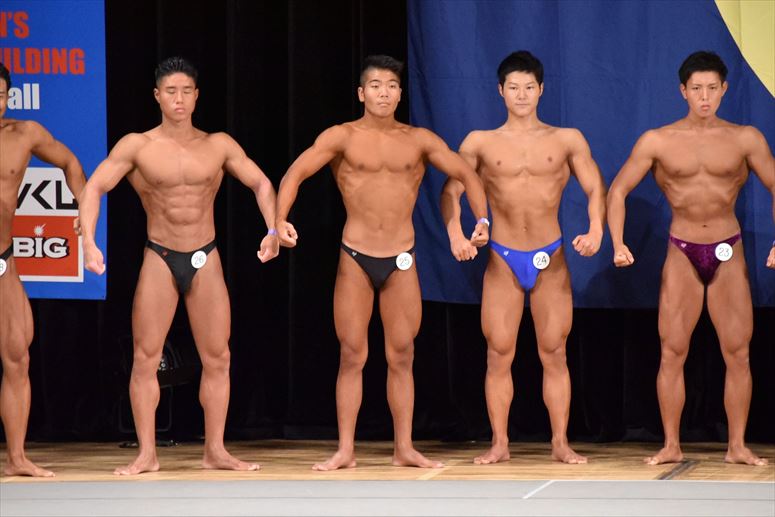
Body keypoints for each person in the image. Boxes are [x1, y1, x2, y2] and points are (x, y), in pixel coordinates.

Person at [275, 55, 489, 471]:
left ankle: (404, 447)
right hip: (355, 255)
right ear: (361, 93)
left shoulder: (419, 140)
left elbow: (467, 174)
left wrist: (480, 221)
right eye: (375, 85)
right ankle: (345, 449)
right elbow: (295, 174)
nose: (384, 93)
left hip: (401, 256)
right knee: (352, 354)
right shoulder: (341, 137)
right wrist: (279, 221)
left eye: (391, 85)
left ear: (400, 93)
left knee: (402, 355)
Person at [78, 57, 279, 475]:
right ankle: (147, 454)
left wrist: (273, 228)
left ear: (197, 95)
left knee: (218, 357)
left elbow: (261, 182)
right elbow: (94, 186)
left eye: (187, 91)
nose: (179, 99)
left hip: (205, 255)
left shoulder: (218, 144)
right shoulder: (137, 145)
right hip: (160, 255)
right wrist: (89, 242)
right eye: (171, 91)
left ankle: (215, 450)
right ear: (157, 96)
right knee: (146, 357)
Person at [608, 51, 774, 466]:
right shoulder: (658, 141)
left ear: (724, 89)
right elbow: (617, 191)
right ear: (683, 90)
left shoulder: (745, 138)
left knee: (738, 352)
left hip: (727, 248)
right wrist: (617, 242)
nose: (704, 97)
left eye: (712, 88)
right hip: (682, 250)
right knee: (672, 350)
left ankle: (736, 446)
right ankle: (671, 444)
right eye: (697, 88)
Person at [441, 51, 606, 464]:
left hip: (551, 256)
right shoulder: (480, 142)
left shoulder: (567, 139)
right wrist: (457, 233)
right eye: (513, 87)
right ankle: (499, 443)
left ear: (541, 90)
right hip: (502, 257)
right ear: (500, 90)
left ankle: (560, 442)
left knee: (555, 352)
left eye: (529, 87)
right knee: (499, 353)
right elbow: (451, 190)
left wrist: (597, 229)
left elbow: (594, 187)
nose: (521, 94)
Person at [0, 62, 87, 476]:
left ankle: (17, 458)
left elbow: (70, 162)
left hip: (2, 260)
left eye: (0, 95)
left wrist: (84, 210)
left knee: (17, 354)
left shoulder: (25, 133)